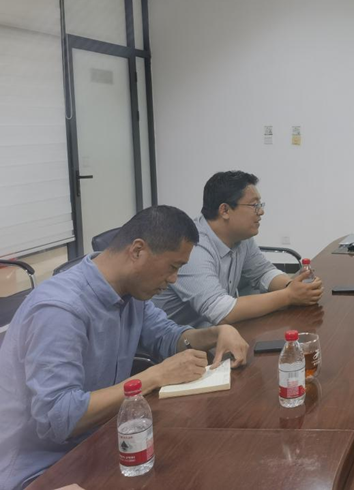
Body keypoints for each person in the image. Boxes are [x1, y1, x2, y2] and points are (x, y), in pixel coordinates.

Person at [0, 206, 249, 490]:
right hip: (39, 471)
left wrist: (216, 333)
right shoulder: (60, 309)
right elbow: (58, 418)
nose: (174, 280)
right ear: (137, 251)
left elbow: (167, 337)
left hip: (102, 441)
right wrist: (155, 376)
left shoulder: (130, 293)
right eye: (173, 267)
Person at [153, 171, 323, 328]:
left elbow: (263, 272)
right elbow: (220, 310)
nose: (261, 211)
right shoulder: (193, 246)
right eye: (254, 205)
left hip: (216, 333)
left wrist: (292, 285)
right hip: (178, 343)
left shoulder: (241, 238)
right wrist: (289, 296)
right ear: (225, 210)